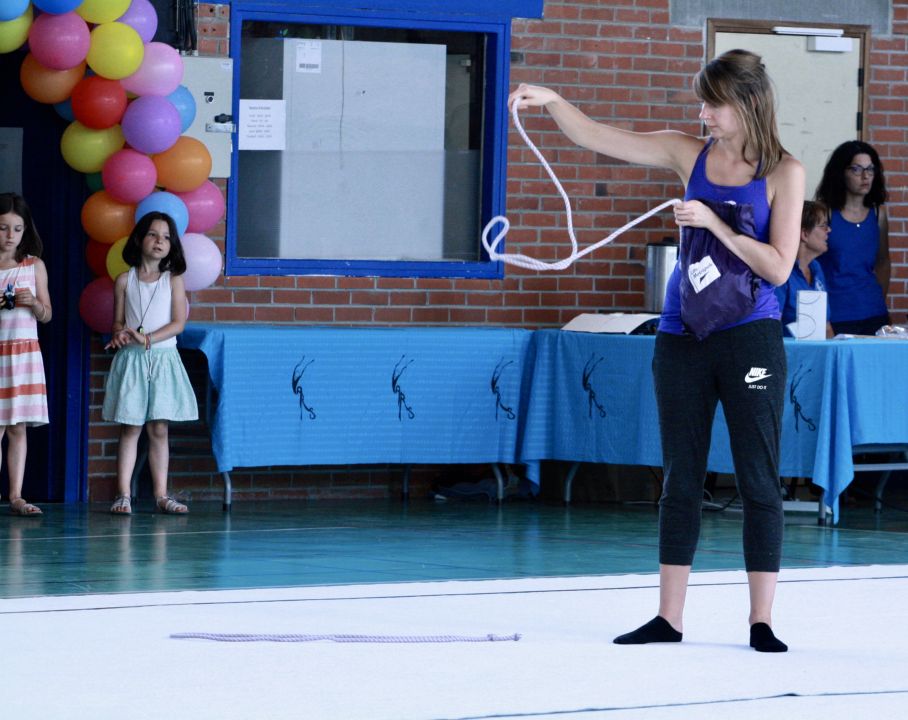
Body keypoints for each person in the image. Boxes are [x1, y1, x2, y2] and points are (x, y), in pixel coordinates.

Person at [510, 49, 803, 652]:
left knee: (757, 476)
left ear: (748, 102)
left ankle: (761, 620)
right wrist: (556, 102)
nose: (703, 114)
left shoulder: (784, 172)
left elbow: (778, 268)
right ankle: (669, 618)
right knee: (679, 476)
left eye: (713, 104)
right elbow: (600, 138)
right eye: (702, 104)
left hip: (750, 336)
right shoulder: (687, 153)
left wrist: (716, 225)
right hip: (681, 335)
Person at [103, 211, 198, 515]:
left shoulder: (173, 280)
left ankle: (161, 495)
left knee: (158, 428)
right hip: (132, 361)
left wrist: (147, 339)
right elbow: (118, 321)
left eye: (166, 237)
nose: (160, 241)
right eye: (153, 234)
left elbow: (178, 323)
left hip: (163, 359)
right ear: (139, 239)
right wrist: (119, 334)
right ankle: (123, 495)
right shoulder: (124, 280)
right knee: (130, 427)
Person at [0, 193, 51, 516]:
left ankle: (16, 495)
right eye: (3, 227)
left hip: (23, 354)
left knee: (17, 427)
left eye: (17, 229)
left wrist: (33, 303)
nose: (10, 236)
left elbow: (47, 314)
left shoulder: (34, 266)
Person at [814, 140, 890, 336]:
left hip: (874, 312)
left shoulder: (878, 214)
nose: (865, 176)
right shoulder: (824, 212)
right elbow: (808, 263)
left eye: (870, 169)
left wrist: (877, 299)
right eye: (856, 169)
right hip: (834, 315)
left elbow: (883, 262)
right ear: (841, 172)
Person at [774, 201, 834, 339]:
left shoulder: (816, 267)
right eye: (823, 225)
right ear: (804, 233)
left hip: (817, 350)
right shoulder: (782, 272)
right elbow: (772, 327)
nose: (829, 230)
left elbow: (826, 326)